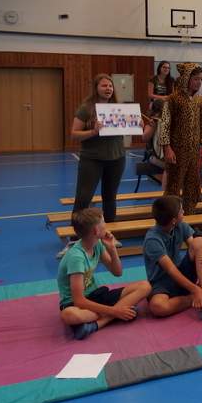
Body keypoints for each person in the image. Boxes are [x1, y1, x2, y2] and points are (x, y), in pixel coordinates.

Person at [58, 208, 150, 340]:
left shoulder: (97, 244)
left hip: (95, 295)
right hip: (75, 303)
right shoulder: (76, 257)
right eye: (103, 222)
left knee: (145, 286)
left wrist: (112, 248)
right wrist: (115, 311)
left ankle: (96, 324)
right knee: (69, 315)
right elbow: (79, 301)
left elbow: (117, 272)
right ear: (96, 230)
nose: (106, 225)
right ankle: (117, 313)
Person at [144, 195, 202, 319]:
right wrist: (195, 290)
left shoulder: (181, 226)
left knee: (199, 241)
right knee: (158, 306)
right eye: (181, 211)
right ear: (173, 220)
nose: (184, 212)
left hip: (182, 273)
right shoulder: (152, 240)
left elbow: (196, 247)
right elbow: (171, 270)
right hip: (161, 282)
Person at [71, 74, 126, 224]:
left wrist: (136, 124)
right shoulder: (86, 109)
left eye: (110, 86)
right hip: (92, 159)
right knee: (83, 198)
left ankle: (108, 232)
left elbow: (127, 129)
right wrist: (93, 132)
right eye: (104, 85)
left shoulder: (118, 108)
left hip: (117, 159)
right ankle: (76, 234)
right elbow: (74, 134)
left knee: (110, 197)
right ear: (96, 88)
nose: (108, 88)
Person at [159, 63, 202, 215]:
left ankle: (189, 218)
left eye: (201, 79)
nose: (199, 82)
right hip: (176, 152)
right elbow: (165, 124)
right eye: (195, 79)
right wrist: (167, 148)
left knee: (192, 186)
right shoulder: (173, 99)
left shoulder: (200, 101)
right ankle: (170, 219)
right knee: (174, 187)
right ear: (186, 79)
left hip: (194, 152)